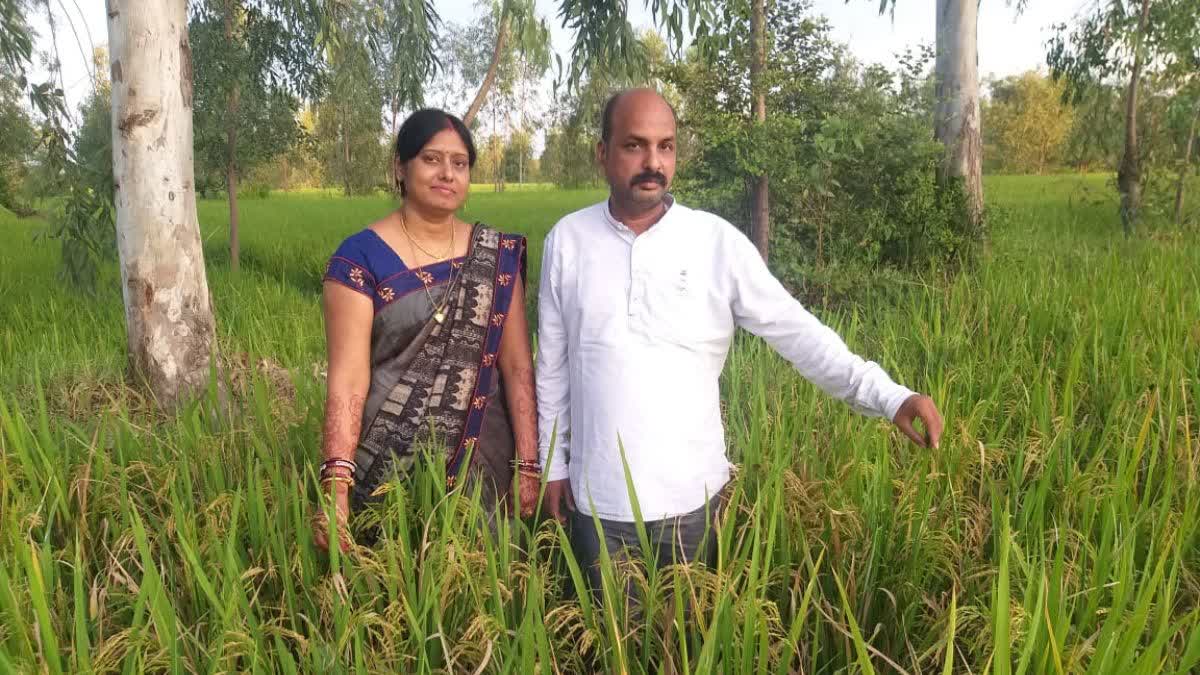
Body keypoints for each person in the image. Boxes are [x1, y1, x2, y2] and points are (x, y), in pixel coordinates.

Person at [535, 89, 945, 593]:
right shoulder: (566, 241)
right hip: (597, 504)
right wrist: (552, 466)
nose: (653, 162)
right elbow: (552, 367)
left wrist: (891, 396)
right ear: (602, 153)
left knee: (687, 647)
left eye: (666, 147)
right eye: (634, 146)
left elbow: (797, 332)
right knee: (608, 647)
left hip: (690, 502)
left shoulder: (715, 242)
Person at [315, 109, 540, 552]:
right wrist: (336, 488)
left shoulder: (495, 255)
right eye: (431, 159)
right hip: (387, 465)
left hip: (485, 460)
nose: (447, 174)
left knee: (484, 586)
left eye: (460, 163)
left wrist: (529, 463)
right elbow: (347, 378)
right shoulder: (360, 257)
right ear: (401, 166)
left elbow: (516, 366)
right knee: (393, 589)